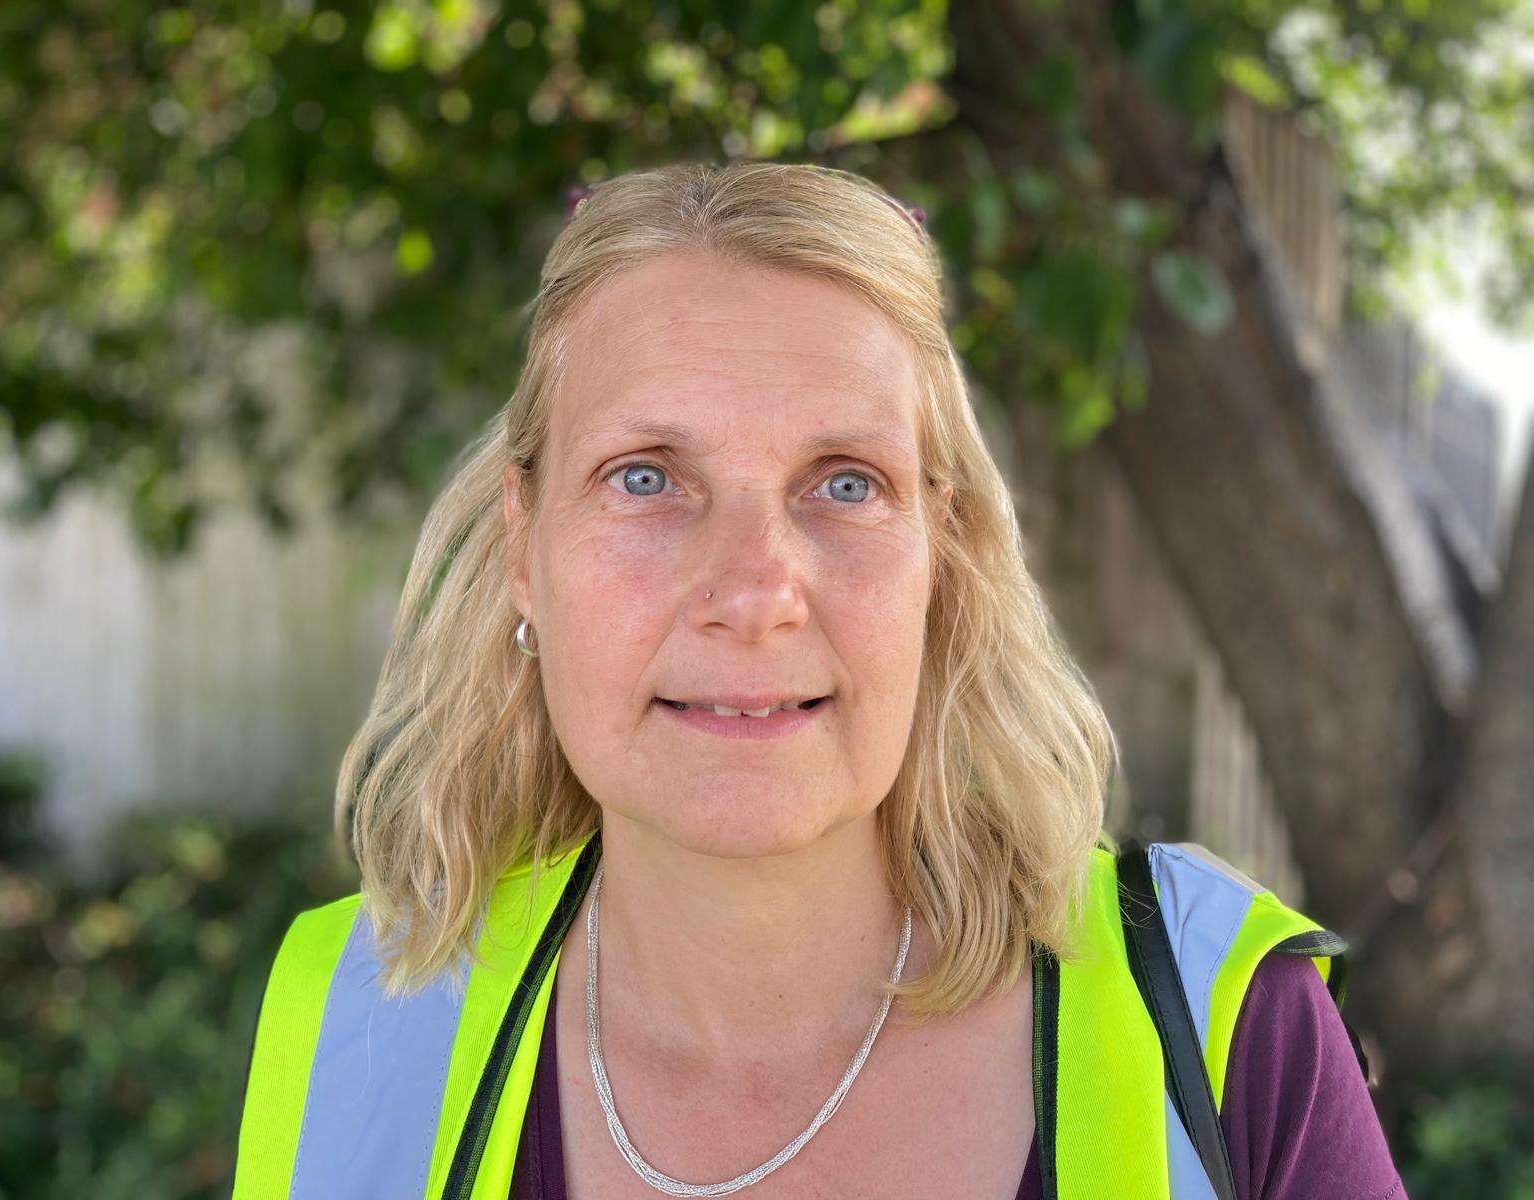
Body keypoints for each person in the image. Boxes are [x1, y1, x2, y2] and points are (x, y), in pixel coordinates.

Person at [230, 162, 1406, 1200]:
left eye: (843, 483)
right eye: (645, 479)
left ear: (940, 556)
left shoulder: (1221, 1030)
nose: (752, 591)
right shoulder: (352, 1025)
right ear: (524, 546)